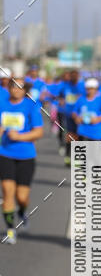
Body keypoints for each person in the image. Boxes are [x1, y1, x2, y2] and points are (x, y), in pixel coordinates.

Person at [0, 76, 44, 244]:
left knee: (22, 197)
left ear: (25, 90)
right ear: (9, 88)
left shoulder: (31, 106)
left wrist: (19, 136)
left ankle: (22, 211)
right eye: (13, 86)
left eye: (20, 87)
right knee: (7, 191)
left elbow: (38, 132)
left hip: (26, 156)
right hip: (5, 154)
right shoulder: (2, 104)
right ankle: (11, 230)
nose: (16, 89)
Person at [71, 78, 101, 143]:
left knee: (96, 150)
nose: (90, 91)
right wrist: (76, 118)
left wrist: (97, 119)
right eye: (88, 89)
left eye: (92, 88)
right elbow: (74, 112)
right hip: (82, 133)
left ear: (96, 89)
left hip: (97, 134)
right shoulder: (81, 99)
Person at [58, 69, 84, 164]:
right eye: (72, 76)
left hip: (80, 116)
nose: (73, 78)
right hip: (69, 114)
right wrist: (61, 100)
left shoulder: (82, 86)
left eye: (75, 76)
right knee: (70, 135)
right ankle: (68, 155)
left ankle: (78, 157)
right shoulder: (66, 85)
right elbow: (60, 95)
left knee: (80, 136)